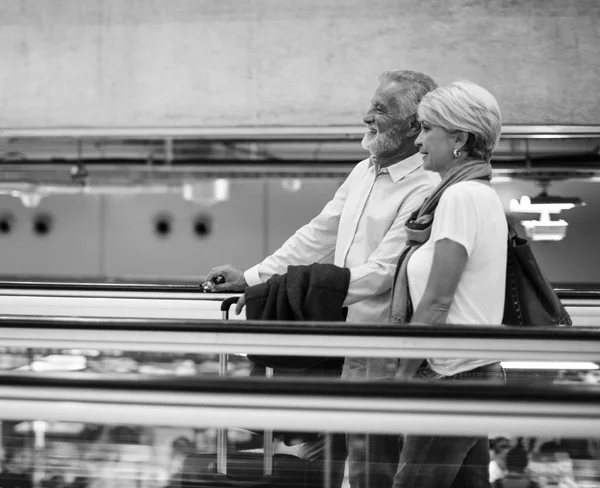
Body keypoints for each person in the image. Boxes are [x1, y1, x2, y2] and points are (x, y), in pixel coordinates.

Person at [206, 69, 440, 488]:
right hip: (346, 337)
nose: (367, 116)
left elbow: (383, 273)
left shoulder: (425, 186)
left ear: (411, 126)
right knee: (346, 451)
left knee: (374, 458)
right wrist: (255, 278)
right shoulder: (365, 170)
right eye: (371, 105)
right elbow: (319, 235)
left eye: (380, 109)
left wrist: (293, 288)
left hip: (386, 343)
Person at [389, 80, 508, 488]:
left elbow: (438, 300)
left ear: (459, 137)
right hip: (470, 370)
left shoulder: (460, 198)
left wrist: (403, 375)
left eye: (426, 129)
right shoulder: (475, 193)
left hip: (453, 375)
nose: (418, 140)